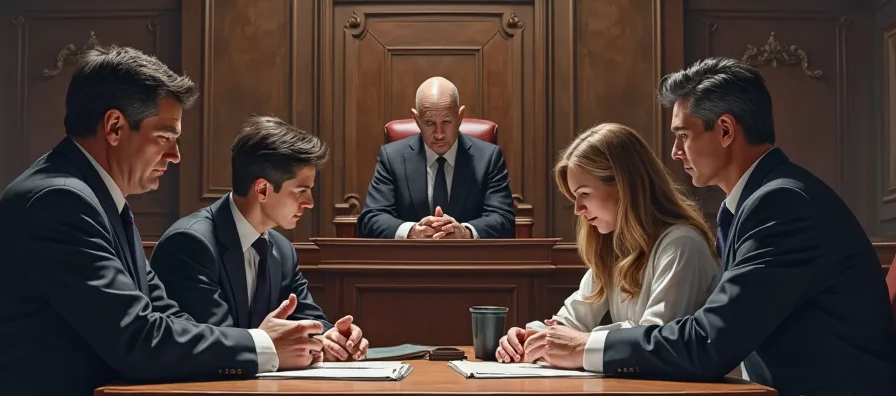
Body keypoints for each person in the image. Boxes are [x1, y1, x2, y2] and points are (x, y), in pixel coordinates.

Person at [0, 46, 323, 396]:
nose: (175, 155)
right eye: (165, 136)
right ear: (114, 127)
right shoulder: (59, 201)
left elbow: (167, 315)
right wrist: (262, 345)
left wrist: (261, 342)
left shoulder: (97, 199)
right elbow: (138, 340)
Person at [539, 58, 896, 396]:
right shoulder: (758, 202)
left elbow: (708, 342)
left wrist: (584, 347)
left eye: (683, 135)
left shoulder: (782, 206)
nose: (674, 152)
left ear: (725, 130)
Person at [495, 123, 721, 365]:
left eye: (585, 193)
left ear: (625, 187)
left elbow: (655, 343)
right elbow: (572, 318)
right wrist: (532, 336)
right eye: (574, 196)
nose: (578, 209)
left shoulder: (682, 245)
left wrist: (579, 343)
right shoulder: (616, 246)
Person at [151, 115, 369, 361]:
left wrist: (334, 339)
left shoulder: (283, 250)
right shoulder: (190, 245)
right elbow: (217, 344)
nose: (309, 203)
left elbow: (309, 320)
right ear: (263, 190)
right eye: (301, 191)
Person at [357, 76, 516, 239]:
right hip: (411, 260)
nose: (439, 134)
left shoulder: (489, 158)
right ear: (416, 120)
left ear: (460, 117)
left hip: (468, 261)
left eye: (446, 121)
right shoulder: (391, 158)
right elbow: (371, 219)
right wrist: (412, 232)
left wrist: (465, 233)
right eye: (429, 123)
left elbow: (504, 220)